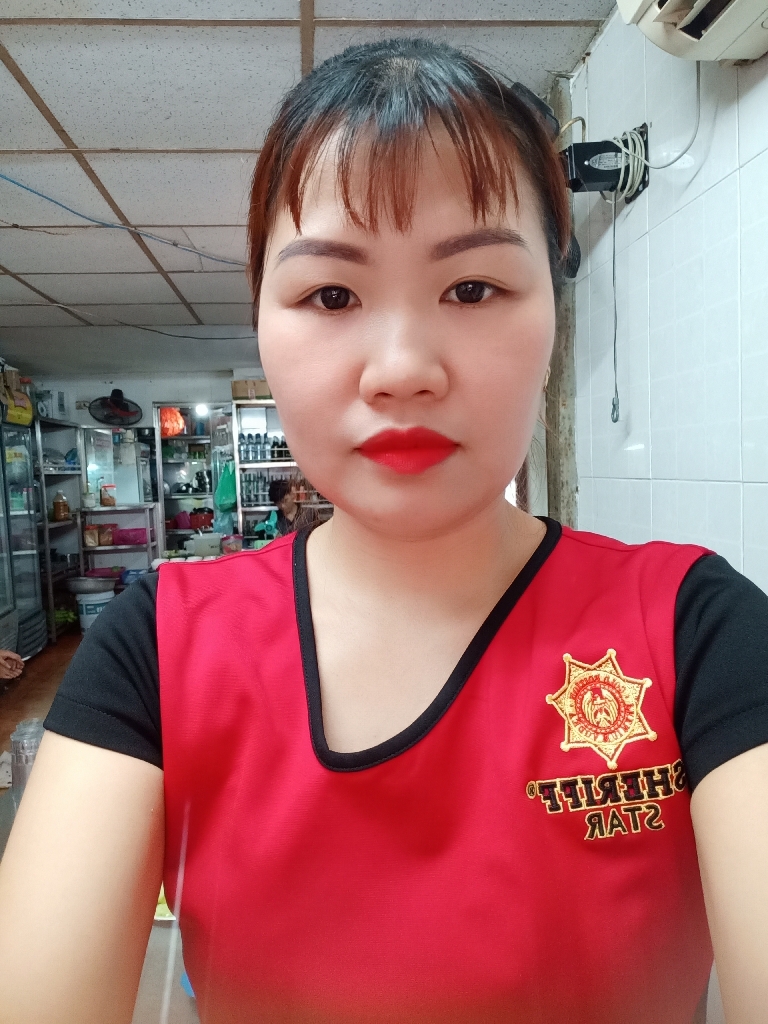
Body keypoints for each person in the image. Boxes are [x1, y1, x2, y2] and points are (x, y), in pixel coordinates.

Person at [0, 37, 767, 1024]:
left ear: (553, 312)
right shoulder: (156, 647)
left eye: (472, 288)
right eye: (332, 295)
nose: (402, 368)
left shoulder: (697, 633)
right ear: (263, 321)